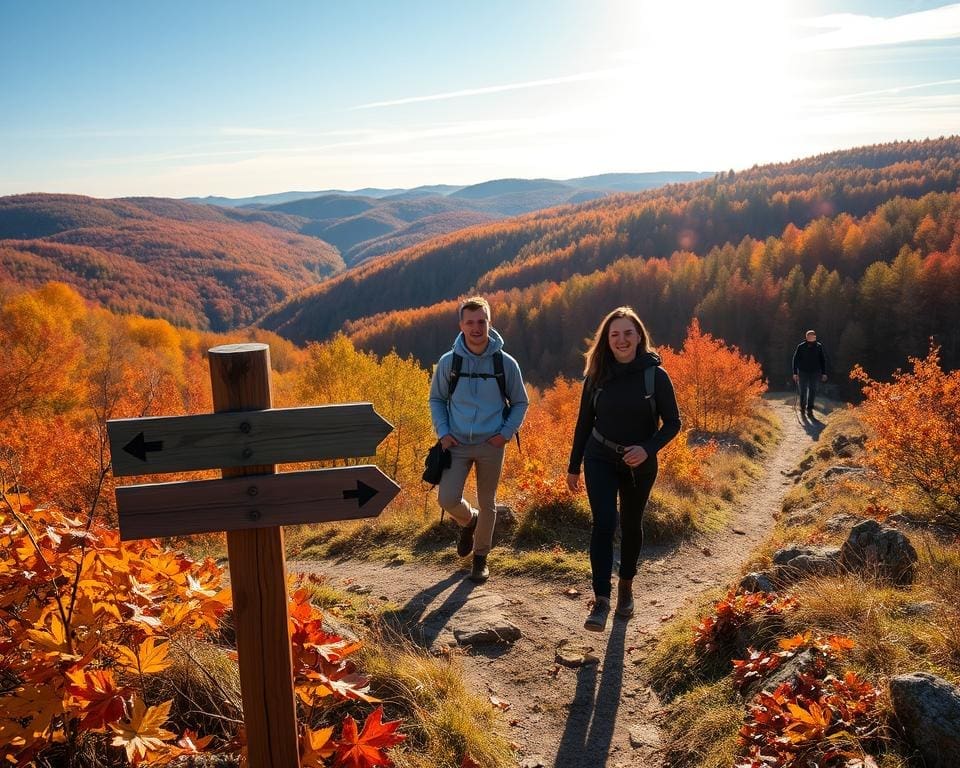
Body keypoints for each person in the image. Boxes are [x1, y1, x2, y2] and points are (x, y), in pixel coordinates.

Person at [566, 307, 681, 632]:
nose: (621, 340)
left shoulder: (655, 375)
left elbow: (674, 423)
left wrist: (647, 448)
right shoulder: (597, 376)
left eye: (628, 333)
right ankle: (601, 600)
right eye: (614, 334)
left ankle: (626, 587)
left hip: (639, 464)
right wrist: (574, 467)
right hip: (599, 456)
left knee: (631, 524)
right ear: (607, 339)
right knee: (604, 523)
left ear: (639, 336)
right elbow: (584, 423)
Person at [429, 296, 529, 583]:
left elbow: (521, 402)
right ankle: (469, 520)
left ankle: (480, 558)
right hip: (456, 443)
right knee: (447, 498)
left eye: (481, 321)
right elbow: (436, 399)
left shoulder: (505, 363)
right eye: (470, 322)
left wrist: (505, 434)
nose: (476, 328)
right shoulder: (449, 362)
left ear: (489, 323)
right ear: (461, 325)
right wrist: (443, 433)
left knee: (488, 503)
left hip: (491, 444)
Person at [792, 330, 828, 417]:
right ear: (806, 337)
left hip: (815, 372)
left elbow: (822, 360)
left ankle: (810, 409)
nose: (811, 338)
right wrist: (795, 373)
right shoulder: (801, 346)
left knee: (813, 390)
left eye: (812, 336)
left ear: (815, 337)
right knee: (803, 391)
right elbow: (795, 359)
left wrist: (824, 373)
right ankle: (802, 408)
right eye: (809, 336)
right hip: (803, 372)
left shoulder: (819, 346)